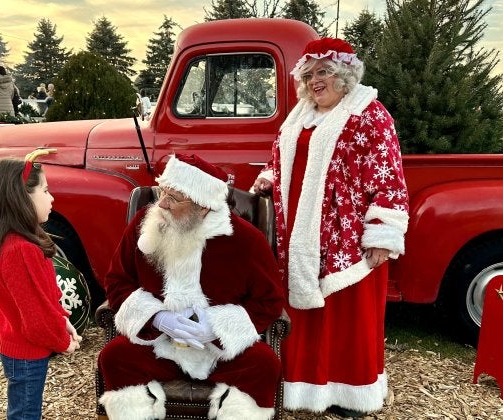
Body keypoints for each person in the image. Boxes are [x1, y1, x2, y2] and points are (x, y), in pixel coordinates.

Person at [251, 38, 409, 418]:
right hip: (299, 233)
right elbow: (281, 157)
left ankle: (349, 393)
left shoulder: (369, 115)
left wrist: (382, 233)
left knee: (346, 313)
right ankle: (299, 386)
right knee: (303, 310)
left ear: (344, 75)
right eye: (308, 74)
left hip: (346, 236)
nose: (314, 80)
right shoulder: (300, 114)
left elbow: (388, 177)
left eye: (323, 72)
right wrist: (270, 178)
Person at [98, 153, 284, 420]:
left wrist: (216, 327)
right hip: (158, 342)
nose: (161, 203)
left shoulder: (246, 240)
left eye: (174, 198)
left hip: (217, 350)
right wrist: (158, 318)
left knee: (264, 364)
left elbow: (269, 301)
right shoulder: (144, 224)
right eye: (163, 191)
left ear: (203, 206)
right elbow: (117, 282)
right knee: (114, 357)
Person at [0, 149, 82, 419]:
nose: (52, 197)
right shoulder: (20, 250)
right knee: (24, 414)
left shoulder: (18, 241)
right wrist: (61, 342)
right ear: (20, 199)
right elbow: (35, 316)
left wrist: (63, 320)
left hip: (20, 346)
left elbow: (43, 297)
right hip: (26, 353)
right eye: (45, 191)